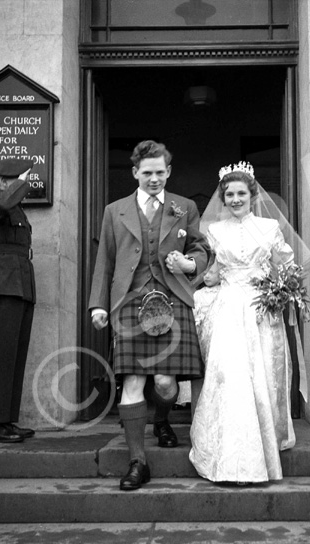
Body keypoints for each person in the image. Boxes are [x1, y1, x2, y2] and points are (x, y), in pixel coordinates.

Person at [89, 140, 209, 491]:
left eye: (160, 172)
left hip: (173, 298)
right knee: (134, 382)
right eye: (147, 173)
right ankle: (137, 461)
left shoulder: (184, 207)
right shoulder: (115, 210)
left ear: (168, 172)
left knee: (165, 383)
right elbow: (105, 261)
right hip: (129, 301)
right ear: (135, 173)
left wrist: (189, 263)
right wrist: (99, 304)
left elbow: (201, 247)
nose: (154, 178)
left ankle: (161, 419)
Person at [188, 162, 310, 484]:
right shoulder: (214, 231)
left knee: (262, 374)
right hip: (228, 308)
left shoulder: (269, 228)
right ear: (223, 197)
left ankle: (264, 444)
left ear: (253, 194)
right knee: (229, 376)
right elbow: (211, 273)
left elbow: (288, 267)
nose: (235, 199)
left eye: (241, 193)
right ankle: (225, 453)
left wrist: (280, 291)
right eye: (229, 194)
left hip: (261, 311)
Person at [0, 159, 36, 443]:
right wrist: (21, 183)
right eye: (12, 181)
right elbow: (2, 204)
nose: (18, 186)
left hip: (21, 288)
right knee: (1, 356)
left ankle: (6, 419)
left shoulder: (18, 212)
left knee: (15, 356)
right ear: (2, 183)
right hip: (4, 288)